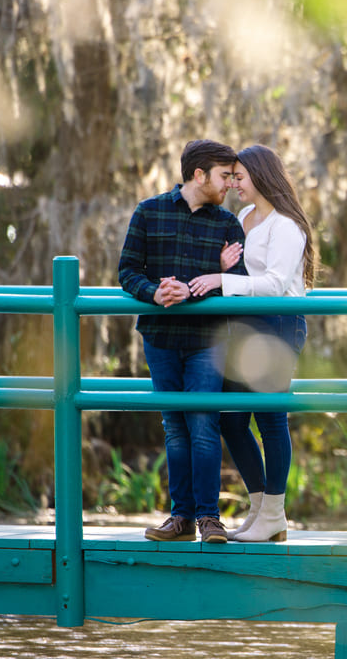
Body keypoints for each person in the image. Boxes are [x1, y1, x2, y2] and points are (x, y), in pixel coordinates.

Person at [118, 139, 246, 544]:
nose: (229, 184)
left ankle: (210, 519)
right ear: (198, 175)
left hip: (209, 340)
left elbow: (239, 283)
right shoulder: (148, 212)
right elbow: (127, 271)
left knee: (204, 423)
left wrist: (225, 271)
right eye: (224, 175)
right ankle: (180, 519)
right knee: (174, 427)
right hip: (160, 337)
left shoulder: (228, 224)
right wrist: (154, 292)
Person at [188, 145, 317, 543]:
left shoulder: (287, 226)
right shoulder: (244, 217)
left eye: (239, 177)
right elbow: (247, 272)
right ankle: (261, 507)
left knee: (271, 418)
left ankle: (275, 512)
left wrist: (223, 281)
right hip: (247, 326)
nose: (233, 183)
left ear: (260, 176)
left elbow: (277, 284)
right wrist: (226, 269)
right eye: (230, 176)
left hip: (279, 325)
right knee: (230, 419)